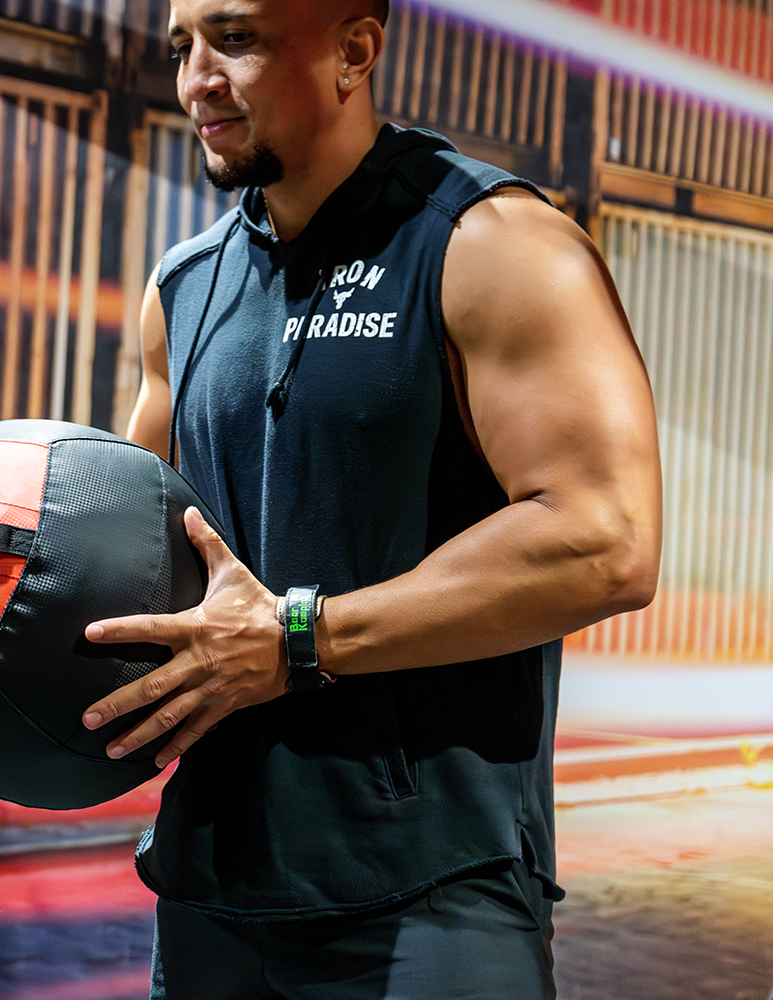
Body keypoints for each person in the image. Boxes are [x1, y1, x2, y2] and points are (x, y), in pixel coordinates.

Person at [78, 0, 663, 996]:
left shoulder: (493, 246)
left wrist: (299, 637)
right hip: (214, 887)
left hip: (435, 891)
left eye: (238, 39)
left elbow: (604, 539)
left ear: (356, 48)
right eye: (184, 47)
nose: (196, 79)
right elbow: (132, 555)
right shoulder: (183, 290)